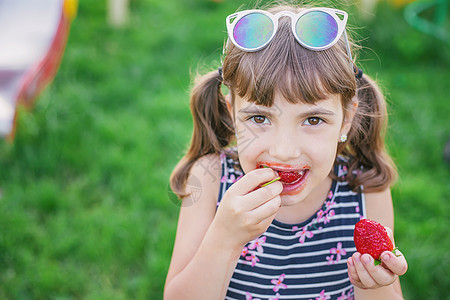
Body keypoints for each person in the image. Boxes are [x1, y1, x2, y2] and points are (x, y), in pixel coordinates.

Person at [164, 3, 408, 300]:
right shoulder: (210, 181)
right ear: (231, 112)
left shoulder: (365, 190)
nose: (284, 151)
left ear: (346, 118)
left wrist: (374, 284)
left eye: (313, 119)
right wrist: (224, 239)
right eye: (259, 118)